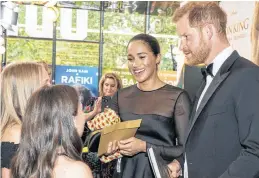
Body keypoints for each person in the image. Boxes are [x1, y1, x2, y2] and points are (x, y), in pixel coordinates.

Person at [169, 2, 259, 178]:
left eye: (186, 37)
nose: (182, 46)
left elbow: (256, 152)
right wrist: (182, 163)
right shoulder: (205, 78)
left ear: (208, 31)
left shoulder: (249, 76)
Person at [107, 33, 191, 178]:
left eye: (142, 57)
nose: (135, 64)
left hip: (159, 173)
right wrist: (108, 146)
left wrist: (144, 147)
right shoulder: (120, 96)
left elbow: (187, 148)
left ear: (157, 58)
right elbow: (103, 138)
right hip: (124, 173)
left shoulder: (177, 97)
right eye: (130, 59)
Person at [11, 85, 93, 178]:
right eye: (81, 110)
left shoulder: (21, 165)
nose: (83, 115)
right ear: (72, 120)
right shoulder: (77, 171)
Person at [1, 62, 50, 178]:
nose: (51, 87)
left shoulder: (23, 128)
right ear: (28, 90)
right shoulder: (16, 134)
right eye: (45, 83)